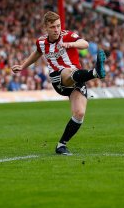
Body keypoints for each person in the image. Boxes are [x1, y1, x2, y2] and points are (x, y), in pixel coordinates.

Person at [11, 11, 107, 156]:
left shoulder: (67, 35)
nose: (56, 30)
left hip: (77, 78)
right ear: (45, 28)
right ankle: (95, 73)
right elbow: (37, 53)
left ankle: (61, 145)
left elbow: (85, 44)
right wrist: (23, 66)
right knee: (67, 71)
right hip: (59, 79)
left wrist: (70, 44)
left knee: (79, 113)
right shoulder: (42, 42)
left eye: (58, 26)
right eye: (53, 27)